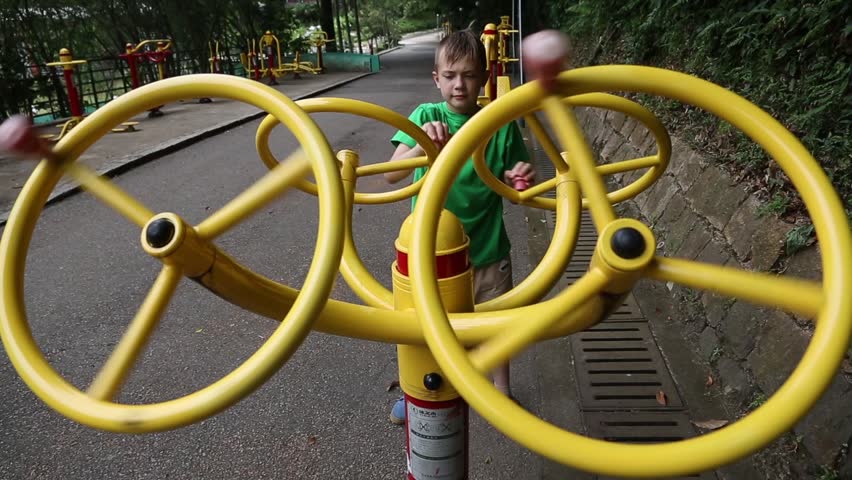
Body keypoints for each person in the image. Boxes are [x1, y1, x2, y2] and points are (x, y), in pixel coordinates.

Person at [384, 29, 535, 425]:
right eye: (450, 75)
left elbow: (516, 178)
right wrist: (422, 147)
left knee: (496, 324)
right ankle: (417, 391)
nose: (459, 85)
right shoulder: (425, 118)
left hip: (486, 248)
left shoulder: (498, 125)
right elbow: (391, 176)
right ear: (436, 78)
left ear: (483, 79)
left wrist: (521, 177)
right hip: (431, 254)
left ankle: (500, 393)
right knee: (423, 324)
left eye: (469, 75)